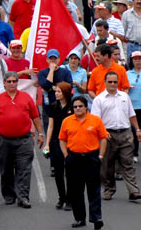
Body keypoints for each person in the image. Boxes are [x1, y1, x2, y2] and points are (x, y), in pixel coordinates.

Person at [0, 71, 44, 208]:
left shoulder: (26, 97)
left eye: (14, 81)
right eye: (9, 81)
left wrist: (40, 133)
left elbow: (35, 117)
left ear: (17, 82)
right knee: (5, 170)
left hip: (24, 140)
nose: (12, 84)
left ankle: (23, 197)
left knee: (24, 170)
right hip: (3, 141)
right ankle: (9, 195)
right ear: (4, 83)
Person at [91, 71, 141, 202]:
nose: (113, 84)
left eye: (115, 82)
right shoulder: (99, 99)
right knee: (107, 164)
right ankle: (109, 189)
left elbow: (131, 114)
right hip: (108, 135)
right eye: (110, 82)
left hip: (125, 133)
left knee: (128, 162)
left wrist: (137, 129)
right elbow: (96, 120)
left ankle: (133, 191)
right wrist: (103, 133)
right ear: (105, 83)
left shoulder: (124, 97)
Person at [59, 95, 109, 230]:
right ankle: (80, 218)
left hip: (91, 158)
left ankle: (96, 218)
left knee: (94, 190)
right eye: (75, 107)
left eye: (80, 106)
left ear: (86, 107)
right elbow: (62, 139)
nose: (78, 109)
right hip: (73, 158)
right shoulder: (67, 121)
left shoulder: (95, 120)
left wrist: (100, 155)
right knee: (76, 191)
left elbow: (103, 138)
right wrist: (65, 155)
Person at [44, 82, 74, 211]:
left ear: (65, 93)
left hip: (71, 142)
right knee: (58, 172)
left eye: (59, 91)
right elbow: (50, 126)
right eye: (55, 91)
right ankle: (61, 197)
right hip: (56, 141)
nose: (56, 94)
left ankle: (70, 199)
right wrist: (47, 144)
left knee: (71, 172)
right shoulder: (53, 106)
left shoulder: (73, 107)